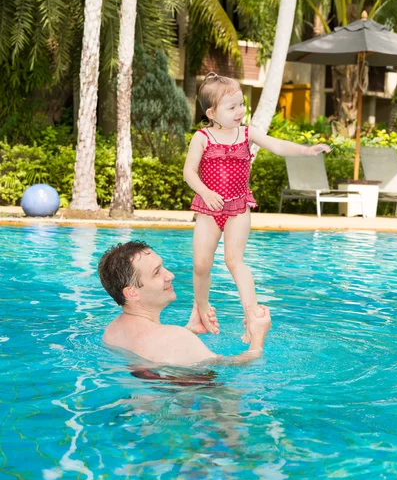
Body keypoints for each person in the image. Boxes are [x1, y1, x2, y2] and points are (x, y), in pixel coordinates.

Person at [183, 72, 331, 339]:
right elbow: (189, 173)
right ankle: (201, 311)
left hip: (238, 208)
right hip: (209, 209)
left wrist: (306, 150)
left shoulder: (247, 133)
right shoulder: (202, 138)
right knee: (201, 264)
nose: (240, 111)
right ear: (211, 112)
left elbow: (277, 145)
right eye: (232, 107)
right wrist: (205, 192)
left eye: (241, 104)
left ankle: (252, 317)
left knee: (234, 261)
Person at [98, 240, 271, 368]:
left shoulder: (112, 331)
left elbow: (151, 354)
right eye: (157, 273)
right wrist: (257, 339)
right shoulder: (176, 338)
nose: (170, 275)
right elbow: (230, 366)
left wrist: (189, 330)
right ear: (131, 293)